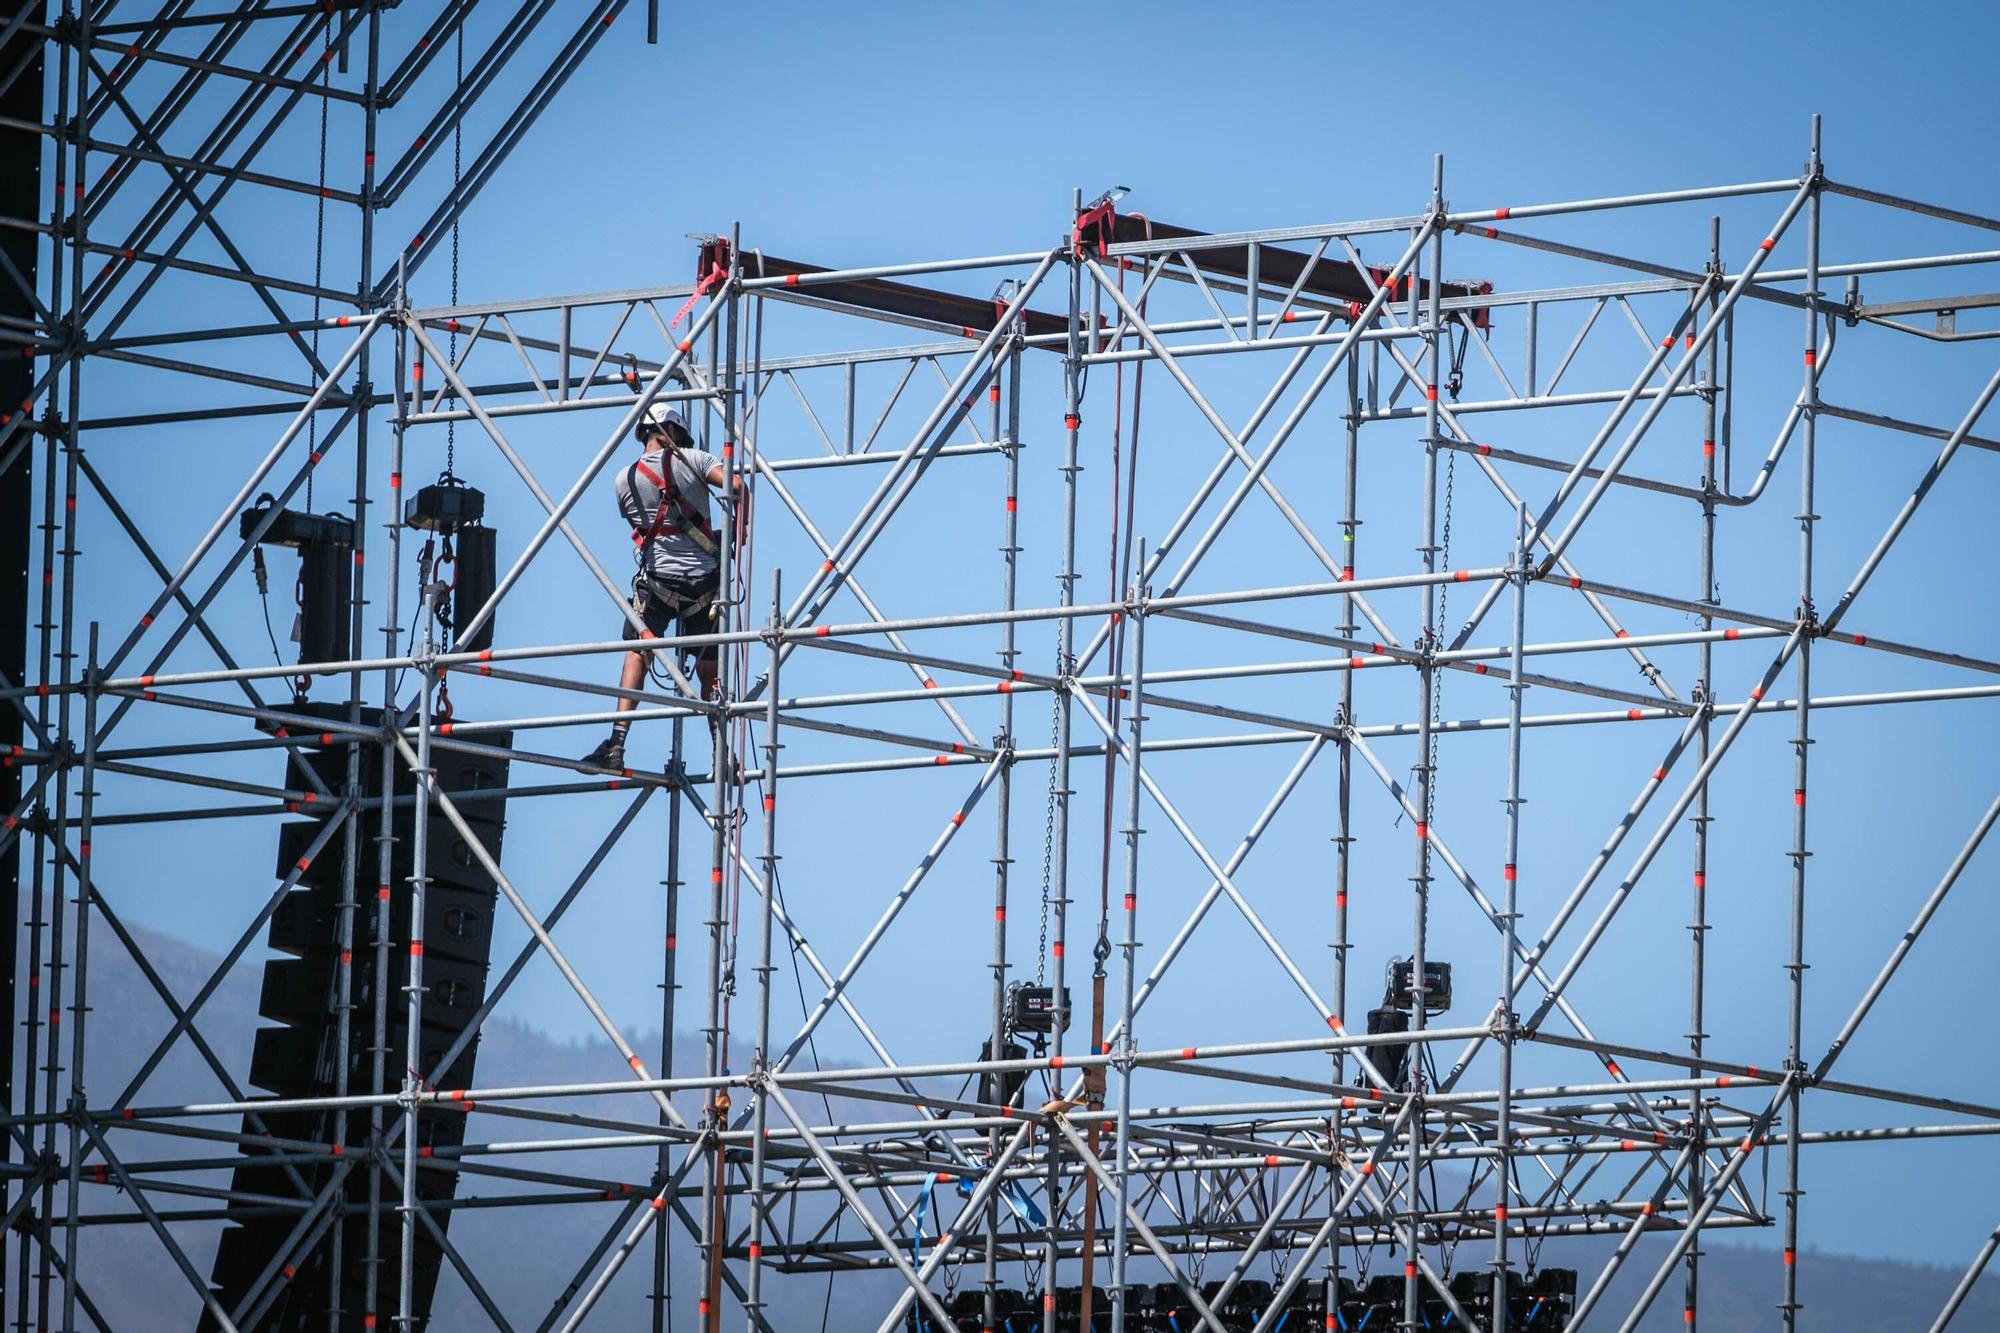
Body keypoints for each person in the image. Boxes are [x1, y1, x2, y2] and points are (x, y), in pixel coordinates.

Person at [581, 401, 746, 772]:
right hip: (705, 586)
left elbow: (641, 526)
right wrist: (741, 530)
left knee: (638, 652)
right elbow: (736, 485)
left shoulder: (623, 479)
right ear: (671, 431)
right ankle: (722, 754)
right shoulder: (693, 459)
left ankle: (617, 743)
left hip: (659, 584)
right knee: (709, 668)